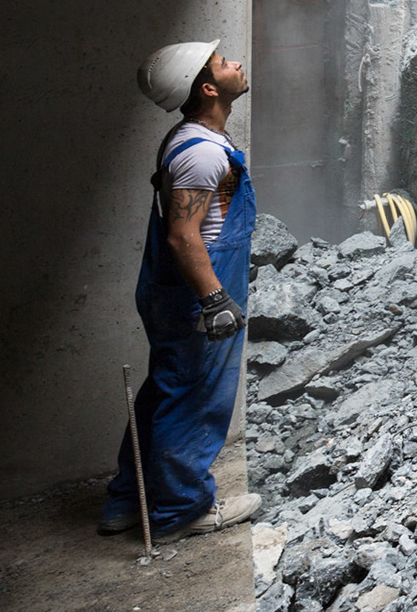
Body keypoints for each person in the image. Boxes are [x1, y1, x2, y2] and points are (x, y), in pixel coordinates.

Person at [100, 40, 263, 540]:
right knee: (195, 399)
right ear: (210, 88)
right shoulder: (202, 154)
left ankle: (130, 501)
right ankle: (179, 512)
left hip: (174, 285)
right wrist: (215, 300)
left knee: (164, 392)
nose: (235, 62)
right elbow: (183, 234)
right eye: (222, 63)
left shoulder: (190, 138)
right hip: (197, 287)